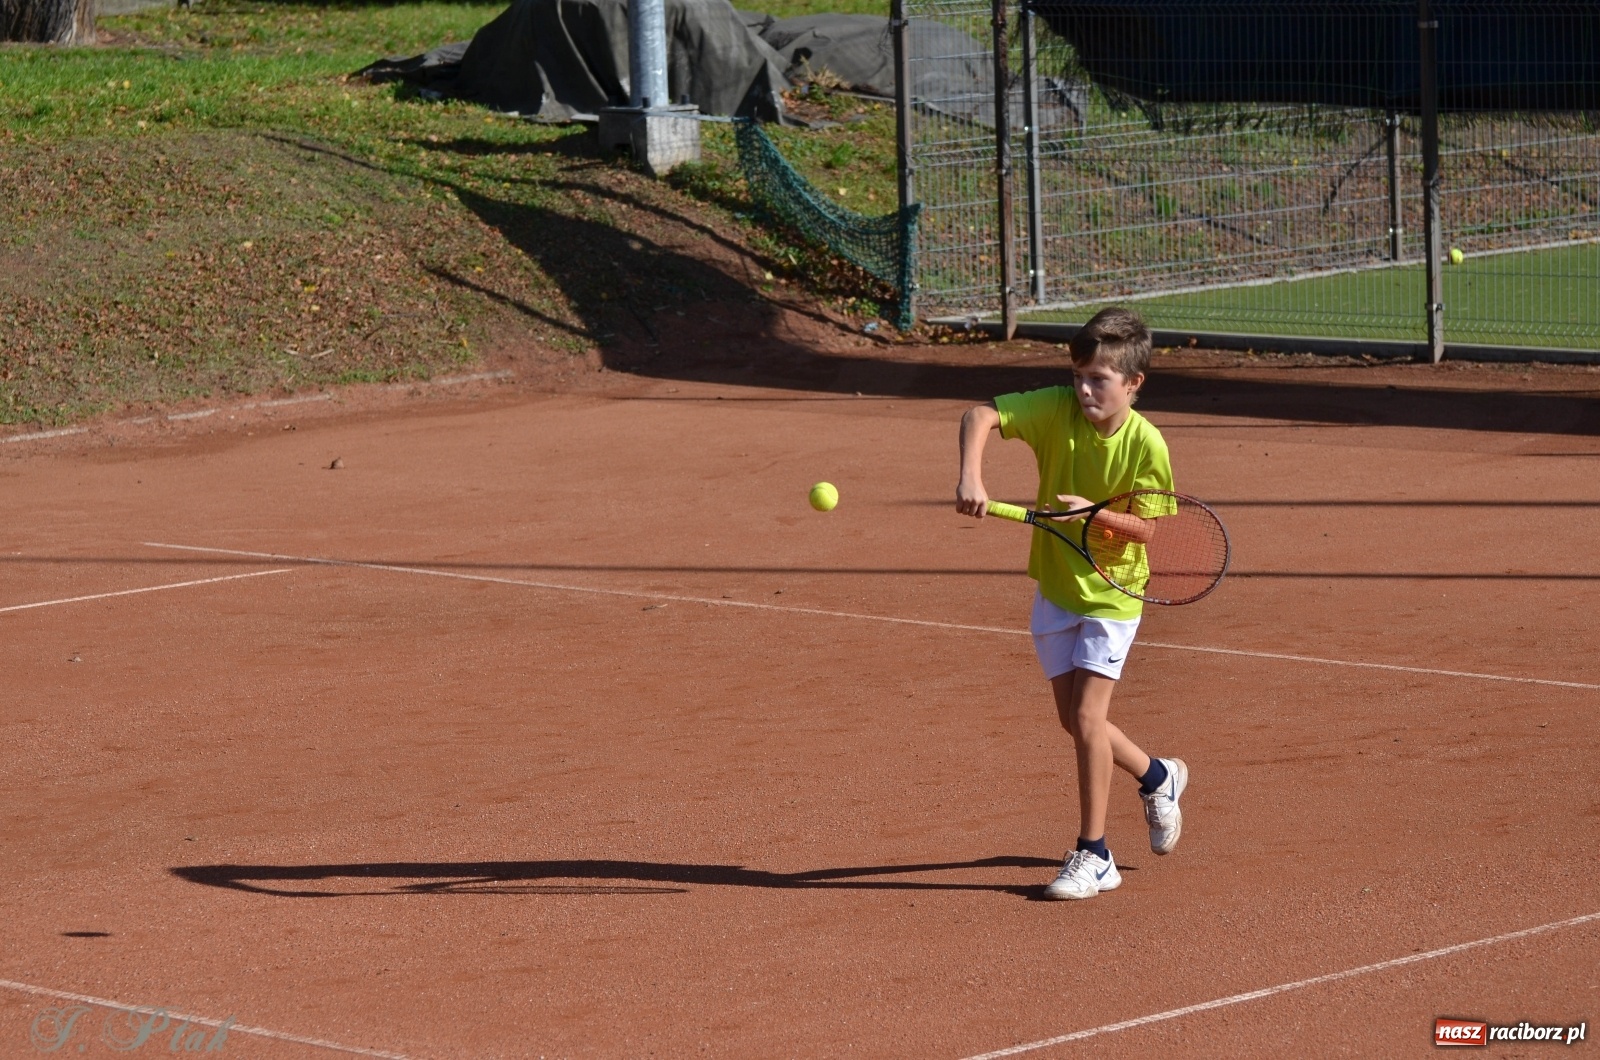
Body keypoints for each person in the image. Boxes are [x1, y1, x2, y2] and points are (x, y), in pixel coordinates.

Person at [955, 306, 1187, 900]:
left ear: (1133, 384)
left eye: (1099, 380)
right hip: (1056, 587)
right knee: (1075, 723)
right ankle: (1157, 775)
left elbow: (1146, 532)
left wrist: (1094, 515)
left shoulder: (1146, 445)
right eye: (1079, 375)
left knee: (1086, 719)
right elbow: (980, 414)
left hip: (1114, 594)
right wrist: (972, 479)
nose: (1083, 389)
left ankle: (1095, 853)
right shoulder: (1056, 407)